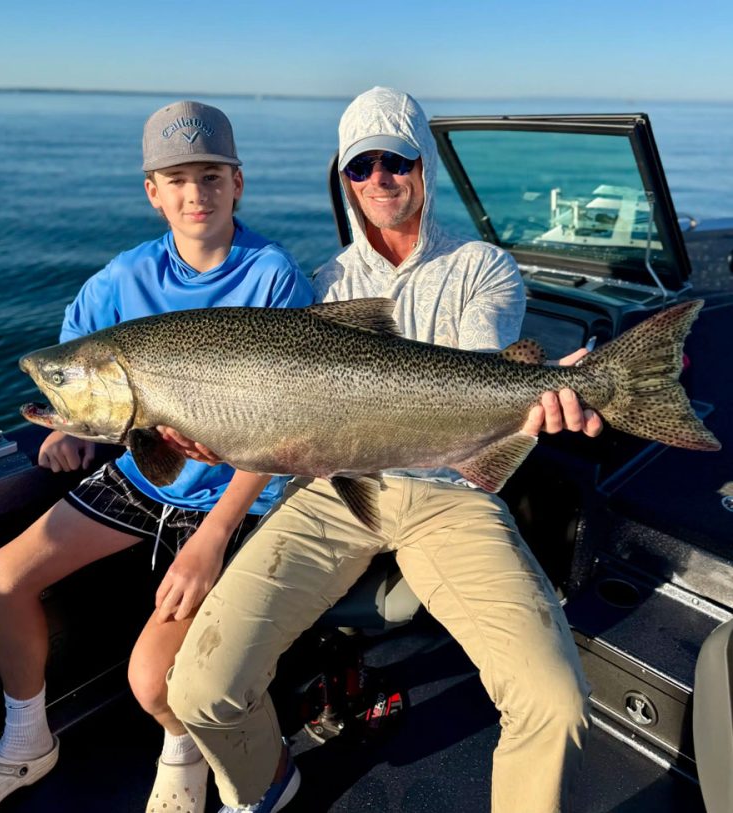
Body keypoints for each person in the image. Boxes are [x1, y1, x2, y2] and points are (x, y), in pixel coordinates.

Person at [165, 87, 601, 813]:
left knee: (555, 699)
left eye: (394, 161)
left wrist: (538, 392)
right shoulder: (328, 286)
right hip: (338, 491)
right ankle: (266, 783)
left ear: (423, 166)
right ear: (345, 181)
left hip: (449, 493)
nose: (379, 181)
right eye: (360, 168)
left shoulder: (482, 267)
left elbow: (473, 372)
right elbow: (289, 415)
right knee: (198, 688)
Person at [0, 100, 313, 813]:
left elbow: (288, 429)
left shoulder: (275, 278)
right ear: (152, 192)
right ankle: (27, 738)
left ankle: (183, 747)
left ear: (238, 183)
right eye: (178, 178)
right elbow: (79, 369)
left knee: (152, 679)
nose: (196, 193)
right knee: (0, 579)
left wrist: (215, 537)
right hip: (139, 478)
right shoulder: (118, 280)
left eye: (211, 176)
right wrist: (71, 428)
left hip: (238, 497)